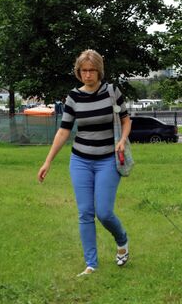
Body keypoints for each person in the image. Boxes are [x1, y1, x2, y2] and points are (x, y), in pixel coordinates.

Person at [37, 49, 132, 276]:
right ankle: (91, 264)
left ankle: (122, 239)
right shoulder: (73, 97)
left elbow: (126, 120)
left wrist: (122, 140)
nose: (88, 74)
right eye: (83, 70)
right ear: (78, 72)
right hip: (80, 160)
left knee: (104, 212)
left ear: (99, 70)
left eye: (92, 70)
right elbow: (63, 131)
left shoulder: (112, 92)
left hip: (108, 160)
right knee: (85, 213)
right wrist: (47, 161)